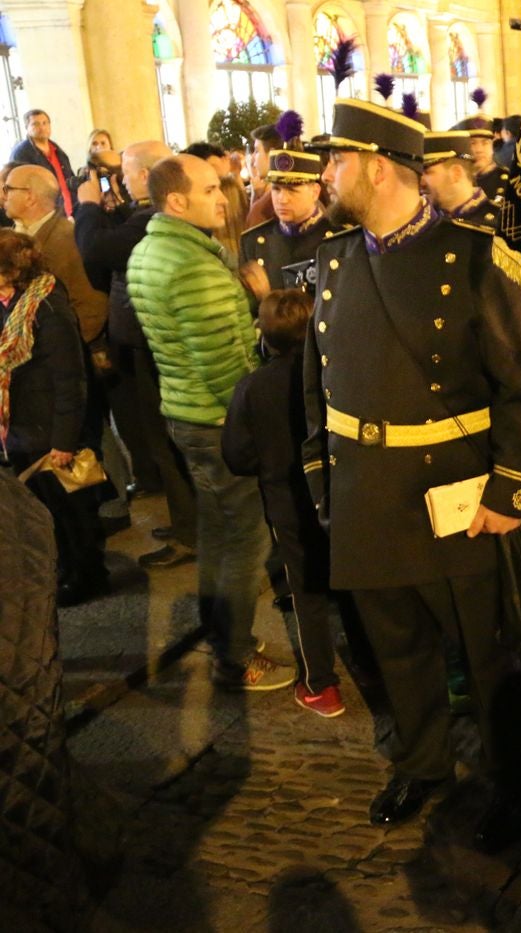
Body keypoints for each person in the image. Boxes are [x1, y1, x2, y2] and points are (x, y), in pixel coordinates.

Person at [303, 99, 521, 842]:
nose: (326, 174)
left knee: (487, 651)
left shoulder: (474, 255)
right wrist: (322, 477)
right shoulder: (336, 257)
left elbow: (517, 383)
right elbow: (318, 378)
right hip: (365, 487)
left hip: (454, 489)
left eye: (337, 161)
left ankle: (512, 778)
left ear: (378, 168)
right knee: (395, 645)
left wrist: (511, 487)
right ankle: (422, 762)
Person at [127, 154, 293, 691]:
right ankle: (235, 657)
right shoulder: (195, 269)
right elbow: (228, 370)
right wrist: (257, 428)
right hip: (219, 421)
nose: (223, 199)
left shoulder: (150, 250)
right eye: (209, 191)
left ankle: (223, 634)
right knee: (245, 543)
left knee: (218, 534)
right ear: (176, 201)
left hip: (185, 412)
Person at [222, 289, 352, 717]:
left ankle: (320, 684)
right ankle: (371, 665)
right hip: (338, 491)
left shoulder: (252, 388)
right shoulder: (334, 372)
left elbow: (237, 456)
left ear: (264, 337)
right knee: (352, 580)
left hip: (288, 502)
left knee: (306, 592)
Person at [73, 140, 198, 569]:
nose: (121, 181)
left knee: (167, 442)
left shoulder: (155, 219)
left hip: (151, 345)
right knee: (161, 441)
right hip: (143, 342)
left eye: (125, 172)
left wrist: (88, 208)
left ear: (146, 175)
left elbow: (97, 251)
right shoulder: (145, 215)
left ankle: (191, 532)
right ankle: (185, 521)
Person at [0, 229, 107, 604]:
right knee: (45, 511)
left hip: (51, 429)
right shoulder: (9, 305)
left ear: (12, 272)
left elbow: (70, 379)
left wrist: (64, 441)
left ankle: (88, 575)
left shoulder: (46, 306)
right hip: (22, 429)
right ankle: (65, 568)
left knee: (71, 511)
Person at [4, 166, 107, 347]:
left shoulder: (68, 239)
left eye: (8, 189)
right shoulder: (14, 237)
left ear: (29, 197)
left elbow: (92, 306)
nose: (3, 195)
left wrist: (61, 349)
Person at [239, 148, 333, 294]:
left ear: (315, 192)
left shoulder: (338, 239)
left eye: (292, 190)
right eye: (276, 189)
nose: (282, 199)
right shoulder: (252, 241)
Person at [420, 130, 498, 227]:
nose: (421, 182)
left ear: (456, 174)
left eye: (427, 172)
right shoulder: (428, 221)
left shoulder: (498, 223)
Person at [9, 110, 75, 217]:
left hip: (69, 211)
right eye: (35, 124)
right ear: (26, 128)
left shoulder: (57, 150)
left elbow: (69, 178)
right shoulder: (21, 154)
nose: (42, 127)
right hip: (44, 215)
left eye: (45, 123)